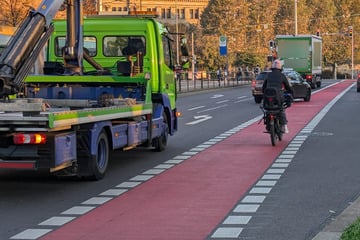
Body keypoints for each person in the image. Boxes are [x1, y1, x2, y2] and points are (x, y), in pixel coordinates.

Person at [262, 59, 293, 133]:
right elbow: (287, 86)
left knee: (267, 110)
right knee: (281, 109)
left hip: (268, 98)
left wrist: (264, 93)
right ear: (280, 68)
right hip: (278, 98)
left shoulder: (268, 75)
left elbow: (264, 87)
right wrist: (291, 92)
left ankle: (267, 125)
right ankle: (284, 126)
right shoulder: (282, 75)